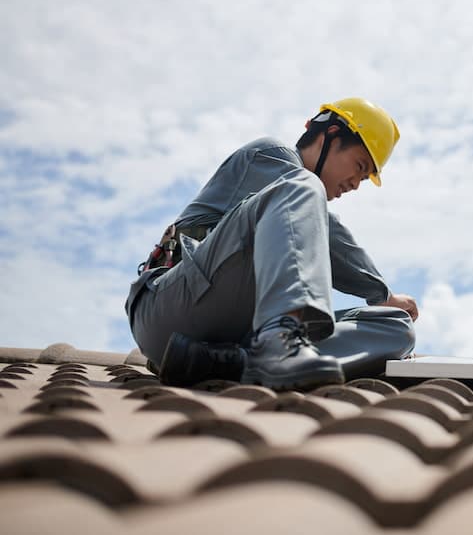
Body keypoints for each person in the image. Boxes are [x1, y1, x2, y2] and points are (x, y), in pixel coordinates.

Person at [125, 98, 419, 391]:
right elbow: (331, 237)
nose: (356, 183)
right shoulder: (271, 156)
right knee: (304, 186)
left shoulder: (298, 192)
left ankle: (237, 363)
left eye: (365, 178)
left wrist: (387, 305)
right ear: (329, 136)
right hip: (167, 309)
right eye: (359, 166)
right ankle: (279, 345)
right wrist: (382, 293)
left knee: (396, 325)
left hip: (226, 333)